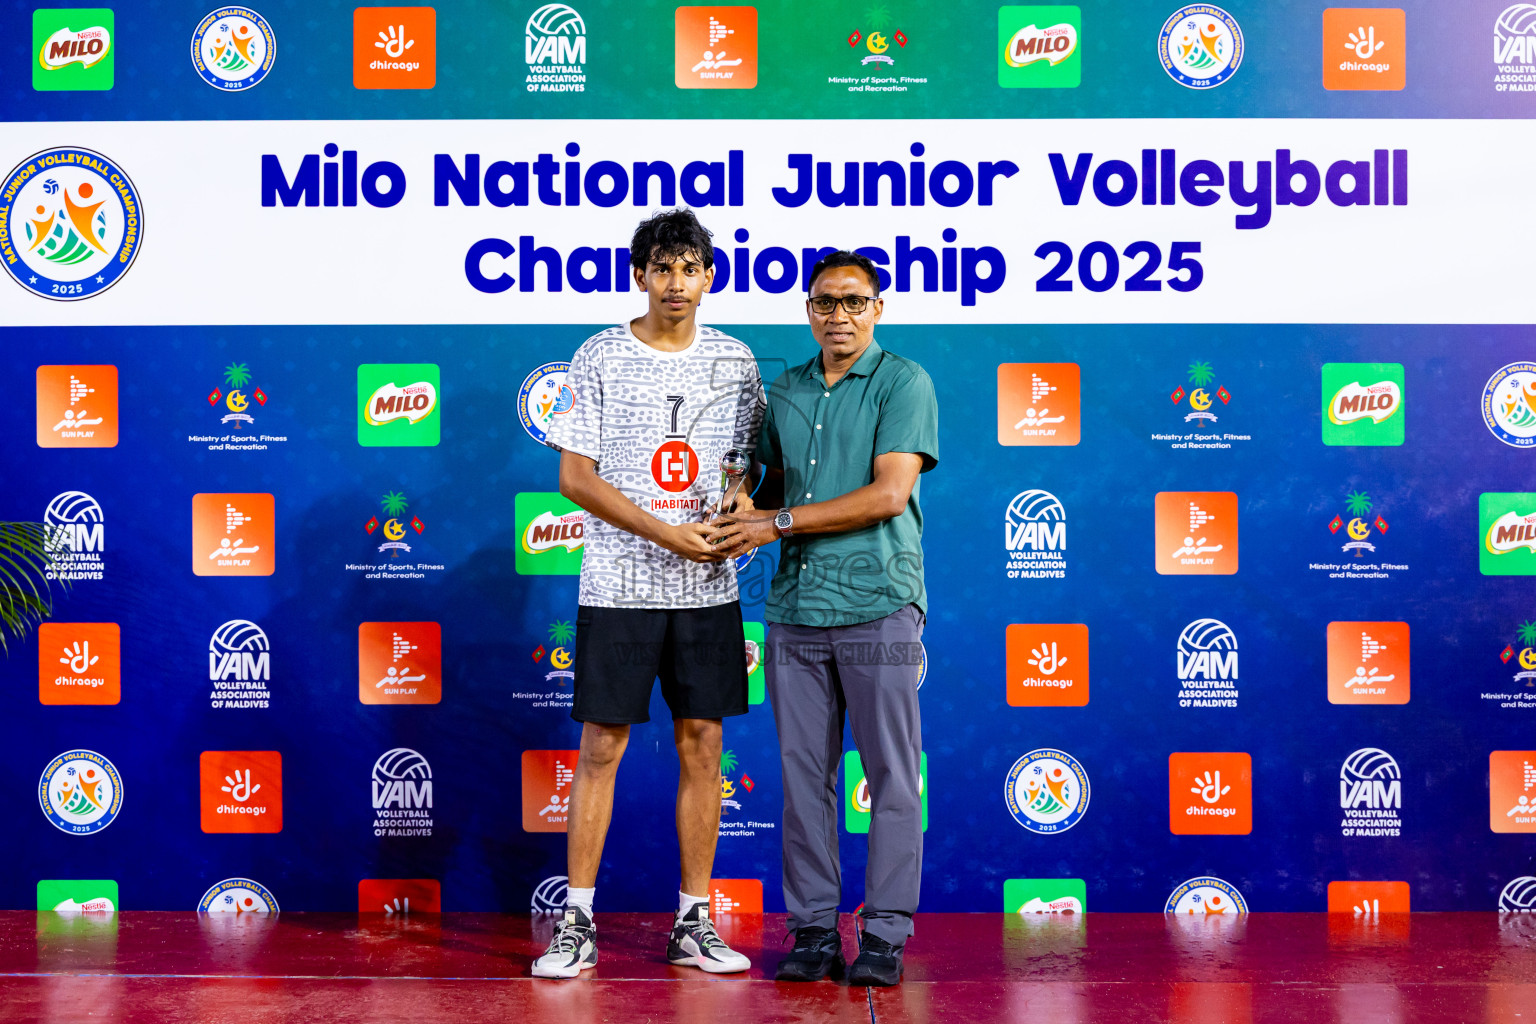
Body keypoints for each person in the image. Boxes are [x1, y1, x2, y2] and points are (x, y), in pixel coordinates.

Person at [533, 208, 765, 979]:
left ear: (709, 276)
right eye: (660, 268)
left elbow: (746, 468)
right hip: (619, 588)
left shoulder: (736, 361)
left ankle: (693, 922)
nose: (675, 282)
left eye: (689, 267)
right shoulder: (597, 355)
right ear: (640, 275)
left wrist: (739, 502)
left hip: (708, 591)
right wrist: (667, 534)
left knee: (705, 748)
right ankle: (577, 921)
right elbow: (574, 479)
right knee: (601, 748)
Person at [709, 250, 938, 987]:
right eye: (824, 302)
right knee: (804, 778)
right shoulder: (786, 389)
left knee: (892, 776)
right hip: (795, 609)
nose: (838, 315)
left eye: (853, 301)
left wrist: (772, 523)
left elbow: (888, 494)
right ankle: (811, 930)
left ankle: (884, 936)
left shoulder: (904, 381)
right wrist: (738, 492)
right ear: (807, 309)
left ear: (879, 308)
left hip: (879, 603)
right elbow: (767, 486)